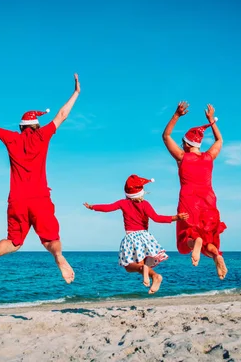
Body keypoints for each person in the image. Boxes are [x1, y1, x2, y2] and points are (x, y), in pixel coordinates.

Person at [0, 73, 81, 284]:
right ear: (36, 126)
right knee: (51, 240)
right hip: (40, 198)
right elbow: (62, 114)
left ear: (21, 127)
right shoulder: (43, 136)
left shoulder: (12, 138)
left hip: (17, 200)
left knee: (14, 242)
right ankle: (58, 257)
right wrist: (76, 92)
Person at [83, 175, 188, 294]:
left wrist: (92, 207)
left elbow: (108, 207)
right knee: (142, 264)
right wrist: (176, 218)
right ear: (141, 192)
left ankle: (151, 274)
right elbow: (157, 218)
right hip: (145, 237)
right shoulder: (145, 204)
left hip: (131, 237)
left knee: (129, 267)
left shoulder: (123, 203)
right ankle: (155, 276)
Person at [162, 102, 228, 279]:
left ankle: (195, 242)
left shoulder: (182, 157)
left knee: (184, 243)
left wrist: (176, 115)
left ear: (185, 143)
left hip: (189, 201)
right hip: (208, 202)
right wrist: (211, 121)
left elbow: (166, 135)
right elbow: (219, 141)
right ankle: (216, 255)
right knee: (210, 241)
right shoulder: (209, 157)